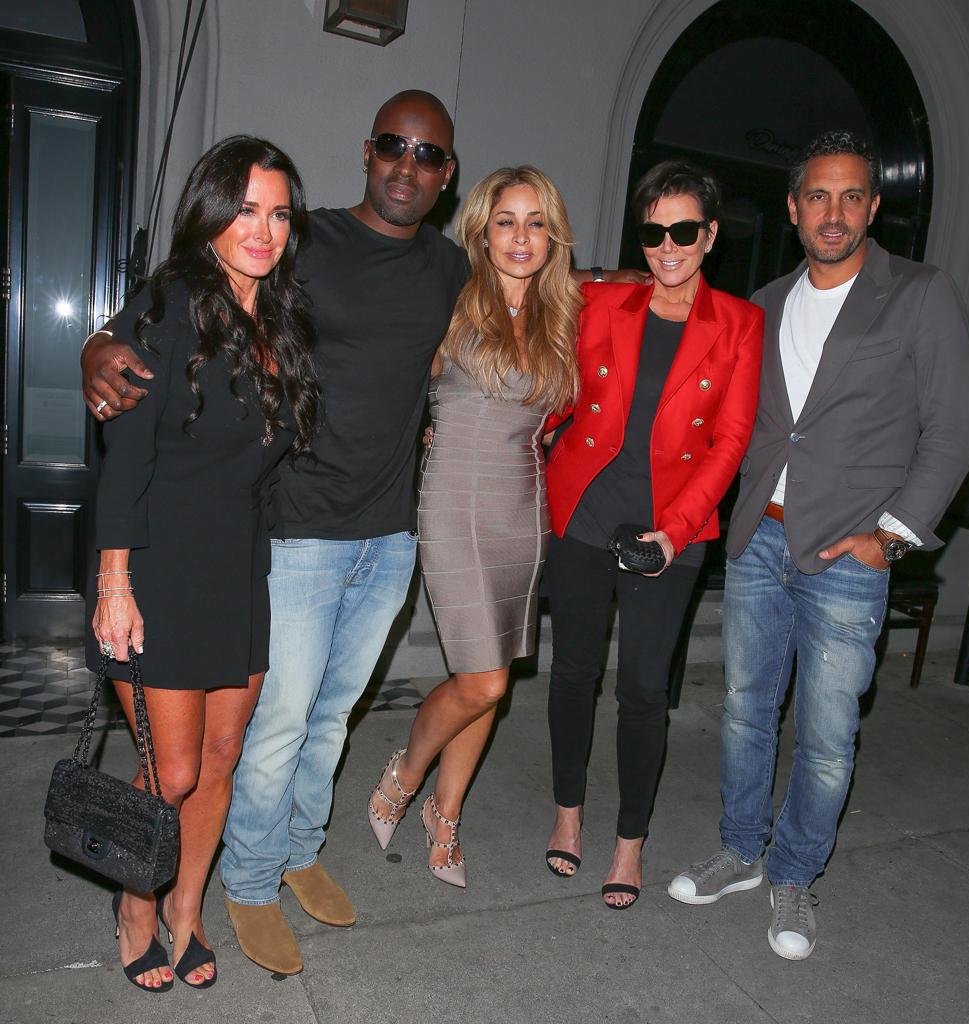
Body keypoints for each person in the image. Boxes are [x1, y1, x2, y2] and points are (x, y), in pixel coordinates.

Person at [81, 90, 643, 972]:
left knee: (332, 718)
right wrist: (100, 345)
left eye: (428, 156)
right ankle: (251, 883)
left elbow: (554, 287)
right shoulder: (301, 240)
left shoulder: (452, 275)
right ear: (368, 151)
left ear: (447, 175)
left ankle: (301, 850)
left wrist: (659, 272)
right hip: (293, 530)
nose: (407, 166)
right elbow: (187, 288)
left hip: (391, 537)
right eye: (394, 146)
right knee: (274, 730)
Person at [668, 131, 969, 959]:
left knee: (828, 733)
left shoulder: (921, 294)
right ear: (794, 207)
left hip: (851, 554)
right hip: (759, 544)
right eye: (817, 197)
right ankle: (740, 850)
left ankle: (795, 876)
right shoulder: (762, 303)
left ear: (873, 208)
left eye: (851, 198)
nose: (832, 213)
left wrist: (893, 537)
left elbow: (954, 429)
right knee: (744, 711)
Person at [87, 135, 319, 992]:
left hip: (237, 571)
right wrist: (114, 582)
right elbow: (127, 458)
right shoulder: (167, 304)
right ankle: (136, 905)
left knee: (223, 758)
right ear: (211, 215)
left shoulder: (281, 319)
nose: (263, 230)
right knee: (172, 770)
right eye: (245, 210)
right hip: (156, 567)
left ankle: (188, 907)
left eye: (279, 213)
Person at [543, 160, 763, 909]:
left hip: (675, 527)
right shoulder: (602, 300)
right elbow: (532, 320)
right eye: (653, 231)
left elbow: (732, 442)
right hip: (584, 510)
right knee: (573, 671)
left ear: (708, 236)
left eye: (682, 231)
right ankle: (567, 814)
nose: (667, 247)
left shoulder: (739, 325)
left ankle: (629, 842)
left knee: (642, 689)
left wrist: (673, 534)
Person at [366, 166, 581, 886]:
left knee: (490, 673)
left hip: (523, 508)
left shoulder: (563, 317)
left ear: (552, 236)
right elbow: (390, 379)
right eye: (506, 221)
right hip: (453, 497)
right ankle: (405, 772)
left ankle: (445, 815)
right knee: (485, 680)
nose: (520, 237)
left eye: (535, 222)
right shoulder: (450, 299)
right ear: (482, 231)